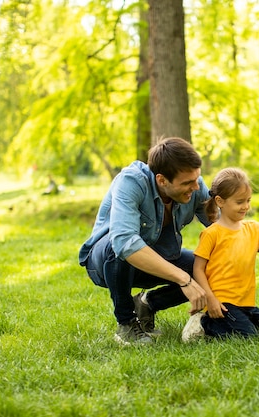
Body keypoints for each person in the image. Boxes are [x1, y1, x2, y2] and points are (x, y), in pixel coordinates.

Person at [78, 137, 212, 346]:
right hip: (105, 263)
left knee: (206, 266)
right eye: (187, 183)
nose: (195, 187)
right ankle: (127, 324)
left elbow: (222, 229)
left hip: (157, 258)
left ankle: (147, 303)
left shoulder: (195, 186)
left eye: (197, 179)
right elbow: (124, 242)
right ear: (161, 180)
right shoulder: (131, 182)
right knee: (119, 247)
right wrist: (184, 279)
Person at [181, 167, 259, 342]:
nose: (246, 207)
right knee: (248, 338)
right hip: (222, 303)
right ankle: (205, 324)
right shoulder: (212, 233)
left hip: (246, 304)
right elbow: (198, 269)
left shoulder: (253, 228)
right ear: (220, 201)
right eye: (240, 202)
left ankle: (225, 324)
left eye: (248, 200)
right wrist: (210, 300)